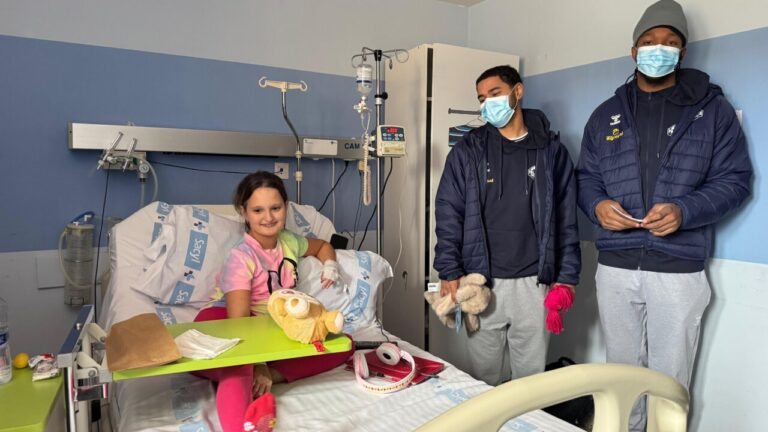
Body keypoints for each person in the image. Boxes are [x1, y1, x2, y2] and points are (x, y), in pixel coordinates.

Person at [577, 1, 752, 429]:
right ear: (633, 51)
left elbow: (736, 181)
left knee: (669, 380)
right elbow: (586, 180)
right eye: (650, 42)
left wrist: (685, 210)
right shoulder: (605, 115)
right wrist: (598, 207)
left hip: (678, 269)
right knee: (620, 373)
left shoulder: (713, 112)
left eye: (670, 43)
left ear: (683, 53)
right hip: (616, 265)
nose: (659, 49)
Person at [433, 65, 581, 386]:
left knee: (530, 383)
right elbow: (448, 212)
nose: (487, 103)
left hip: (535, 283)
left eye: (495, 93)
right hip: (482, 282)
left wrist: (567, 278)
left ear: (518, 91)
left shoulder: (552, 153)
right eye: (481, 98)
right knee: (484, 381)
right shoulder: (468, 151)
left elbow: (567, 219)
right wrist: (449, 269)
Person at [193, 171, 351, 432]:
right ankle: (243, 389)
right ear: (244, 212)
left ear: (285, 208)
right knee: (239, 363)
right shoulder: (241, 257)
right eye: (258, 210)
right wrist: (259, 362)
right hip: (232, 323)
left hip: (274, 325)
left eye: (275, 208)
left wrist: (330, 266)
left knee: (343, 344)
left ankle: (267, 377)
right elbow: (239, 323)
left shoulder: (289, 241)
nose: (268, 217)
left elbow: (322, 246)